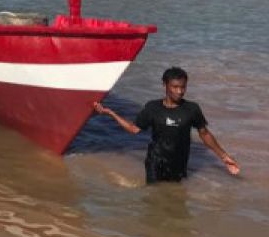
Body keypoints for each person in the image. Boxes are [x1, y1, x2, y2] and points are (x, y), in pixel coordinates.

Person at [93, 67, 240, 184]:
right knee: (154, 197)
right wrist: (110, 113)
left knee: (175, 199)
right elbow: (133, 129)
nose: (180, 91)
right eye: (175, 87)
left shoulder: (192, 109)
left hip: (179, 162)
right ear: (165, 85)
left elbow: (205, 134)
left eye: (183, 87)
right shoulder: (152, 108)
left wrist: (224, 156)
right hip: (155, 161)